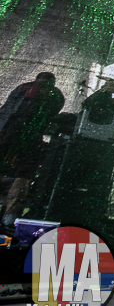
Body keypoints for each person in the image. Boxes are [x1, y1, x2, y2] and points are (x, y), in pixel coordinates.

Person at [0, 72, 65, 224]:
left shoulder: (22, 88)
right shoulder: (55, 93)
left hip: (8, 135)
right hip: (29, 139)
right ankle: (9, 217)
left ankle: (8, 216)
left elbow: (6, 110)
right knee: (23, 177)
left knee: (9, 173)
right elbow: (53, 114)